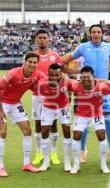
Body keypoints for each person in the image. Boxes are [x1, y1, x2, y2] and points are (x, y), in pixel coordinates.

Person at [62, 24, 110, 163]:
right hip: (85, 89)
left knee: (108, 118)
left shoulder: (108, 47)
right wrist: (75, 72)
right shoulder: (83, 47)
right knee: (84, 119)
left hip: (103, 88)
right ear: (90, 34)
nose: (96, 34)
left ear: (102, 34)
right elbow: (66, 60)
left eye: (99, 32)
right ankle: (83, 151)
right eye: (94, 32)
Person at [0, 52, 43, 177]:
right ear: (25, 62)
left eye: (34, 62)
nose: (32, 64)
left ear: (38, 64)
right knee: (2, 132)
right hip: (2, 103)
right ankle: (0, 167)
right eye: (29, 62)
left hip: (16, 103)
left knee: (27, 130)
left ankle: (26, 164)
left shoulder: (38, 75)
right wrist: (0, 111)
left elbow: (47, 83)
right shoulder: (13, 73)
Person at [32, 29, 77, 166]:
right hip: (38, 94)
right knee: (39, 124)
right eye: (39, 38)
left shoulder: (55, 55)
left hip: (55, 96)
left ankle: (53, 153)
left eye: (44, 37)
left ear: (49, 39)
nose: (42, 40)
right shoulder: (32, 55)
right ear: (36, 39)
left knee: (54, 124)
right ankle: (39, 153)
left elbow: (63, 72)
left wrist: (78, 72)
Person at [69, 66, 110, 174]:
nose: (85, 79)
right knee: (76, 135)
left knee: (101, 135)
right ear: (80, 77)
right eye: (83, 77)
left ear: (93, 77)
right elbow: (65, 81)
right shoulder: (76, 86)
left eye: (88, 77)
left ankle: (103, 164)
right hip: (81, 114)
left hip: (96, 114)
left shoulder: (101, 87)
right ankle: (76, 165)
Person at [37, 64, 73, 172]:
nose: (54, 77)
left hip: (63, 107)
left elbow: (76, 88)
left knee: (66, 130)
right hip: (48, 108)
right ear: (48, 74)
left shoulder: (67, 81)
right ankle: (46, 162)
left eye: (56, 75)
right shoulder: (42, 83)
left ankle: (67, 162)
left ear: (61, 73)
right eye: (51, 75)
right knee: (44, 131)